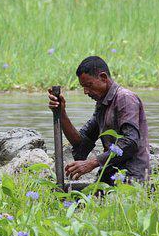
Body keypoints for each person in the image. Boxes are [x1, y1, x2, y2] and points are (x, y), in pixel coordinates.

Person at [48, 56, 149, 184]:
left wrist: (92, 163)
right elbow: (81, 143)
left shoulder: (125, 98)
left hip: (130, 177)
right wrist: (61, 112)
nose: (86, 91)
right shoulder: (103, 104)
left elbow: (130, 142)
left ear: (103, 77)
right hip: (109, 175)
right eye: (83, 87)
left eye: (89, 85)